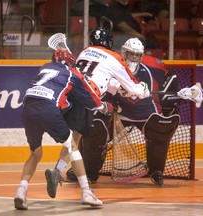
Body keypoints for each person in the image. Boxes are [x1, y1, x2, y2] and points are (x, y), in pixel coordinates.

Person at [67, 37, 195, 185]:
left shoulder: (154, 66)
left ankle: (156, 171)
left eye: (137, 54)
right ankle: (86, 171)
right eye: (130, 54)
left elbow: (170, 80)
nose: (133, 57)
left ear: (142, 55)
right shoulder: (113, 64)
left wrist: (179, 93)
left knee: (161, 129)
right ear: (123, 52)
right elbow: (104, 88)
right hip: (119, 114)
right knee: (95, 127)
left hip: (146, 114)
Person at [44, 28, 151, 198]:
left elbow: (100, 75)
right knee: (75, 141)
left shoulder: (85, 52)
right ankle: (84, 189)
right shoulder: (115, 57)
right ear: (110, 41)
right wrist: (142, 90)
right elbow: (133, 87)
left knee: (74, 138)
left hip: (68, 94)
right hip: (86, 96)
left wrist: (118, 88)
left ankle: (57, 171)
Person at [14, 46, 106, 210]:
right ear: (70, 63)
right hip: (47, 108)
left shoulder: (44, 68)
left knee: (35, 154)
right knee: (72, 147)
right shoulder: (72, 73)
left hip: (28, 108)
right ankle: (86, 192)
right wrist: (103, 106)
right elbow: (91, 100)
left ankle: (21, 191)